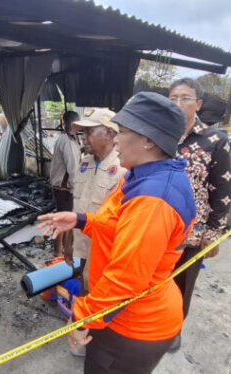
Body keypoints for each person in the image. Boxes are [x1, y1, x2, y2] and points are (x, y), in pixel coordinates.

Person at [38, 92, 196, 374]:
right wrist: (81, 219)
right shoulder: (146, 175)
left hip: (132, 324)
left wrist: (82, 317)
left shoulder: (153, 199)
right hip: (128, 316)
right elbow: (120, 227)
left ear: (148, 141)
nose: (116, 140)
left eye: (122, 133)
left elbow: (125, 280)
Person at [169, 78, 231, 351]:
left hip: (192, 232)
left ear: (198, 104)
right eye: (172, 98)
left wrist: (214, 234)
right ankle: (153, 323)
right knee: (156, 281)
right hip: (159, 225)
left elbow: (223, 190)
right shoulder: (159, 135)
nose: (178, 103)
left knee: (182, 283)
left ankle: (174, 329)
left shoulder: (215, 139)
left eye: (185, 98)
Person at [70, 108, 126, 289]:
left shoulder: (123, 167)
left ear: (109, 133)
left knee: (99, 292)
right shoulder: (85, 162)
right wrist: (69, 244)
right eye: (82, 132)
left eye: (88, 131)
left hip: (104, 251)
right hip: (81, 246)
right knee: (83, 287)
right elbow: (76, 205)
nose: (83, 137)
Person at [49, 111, 81, 257]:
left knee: (65, 219)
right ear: (72, 125)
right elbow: (72, 167)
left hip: (64, 186)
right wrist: (78, 188)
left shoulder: (70, 139)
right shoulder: (67, 141)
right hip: (64, 187)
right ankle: (58, 253)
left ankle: (64, 250)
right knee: (63, 220)